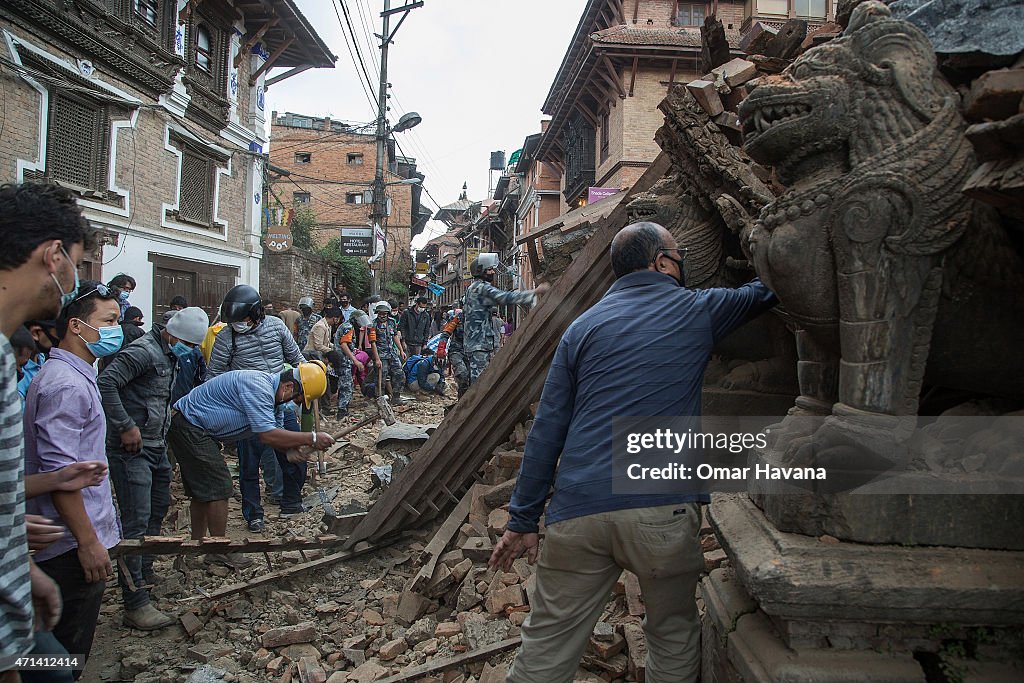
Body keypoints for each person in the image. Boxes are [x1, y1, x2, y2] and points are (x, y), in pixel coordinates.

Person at [489, 222, 778, 683]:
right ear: (662, 263)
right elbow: (768, 289)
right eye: (678, 258)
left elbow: (547, 429)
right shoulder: (698, 309)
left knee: (545, 646)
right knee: (672, 635)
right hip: (660, 512)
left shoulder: (580, 329)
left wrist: (522, 520)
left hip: (577, 512)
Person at [0, 182, 99, 680]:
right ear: (53, 256)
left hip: (17, 582)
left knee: (56, 668)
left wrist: (19, 566)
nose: (73, 282)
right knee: (56, 668)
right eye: (77, 267)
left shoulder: (5, 357)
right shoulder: (56, 380)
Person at [24, 281, 124, 677]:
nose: (116, 329)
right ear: (78, 327)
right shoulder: (65, 385)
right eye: (109, 321)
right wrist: (87, 542)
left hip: (74, 533)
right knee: (62, 654)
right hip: (67, 542)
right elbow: (59, 473)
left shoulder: (73, 376)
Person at [97, 307, 209, 630]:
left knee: (158, 509)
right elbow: (106, 383)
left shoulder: (171, 353)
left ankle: (144, 573)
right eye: (186, 344)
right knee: (136, 518)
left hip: (156, 446)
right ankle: (134, 604)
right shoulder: (142, 352)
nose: (187, 351)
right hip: (132, 449)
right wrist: (125, 425)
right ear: (172, 334)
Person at [168, 364, 335, 547]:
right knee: (220, 487)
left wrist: (289, 451)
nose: (295, 405)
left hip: (195, 428)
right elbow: (266, 434)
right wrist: (311, 438)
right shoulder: (258, 387)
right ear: (288, 386)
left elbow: (275, 435)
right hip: (190, 425)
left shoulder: (275, 402)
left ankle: (196, 545)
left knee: (203, 493)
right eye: (298, 400)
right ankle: (217, 551)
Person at [209, 286, 305, 528]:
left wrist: (308, 381)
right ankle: (254, 515)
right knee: (249, 464)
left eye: (243, 320)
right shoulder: (226, 338)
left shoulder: (275, 326)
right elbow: (213, 377)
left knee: (293, 454)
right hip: (248, 409)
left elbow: (296, 358)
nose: (239, 325)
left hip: (281, 402)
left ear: (256, 313)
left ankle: (291, 502)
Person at [463, 255, 546, 386]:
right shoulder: (481, 288)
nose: (493, 272)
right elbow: (504, 297)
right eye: (490, 269)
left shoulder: (472, 288)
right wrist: (535, 292)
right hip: (479, 344)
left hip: (476, 343)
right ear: (481, 271)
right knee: (479, 385)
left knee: (477, 381)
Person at [367, 301, 406, 404]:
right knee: (381, 377)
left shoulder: (392, 322)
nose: (382, 316)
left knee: (399, 373)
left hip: (392, 353)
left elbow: (395, 336)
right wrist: (377, 359)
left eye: (384, 313)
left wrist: (401, 350)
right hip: (380, 354)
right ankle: (379, 398)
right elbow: (373, 343)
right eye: (380, 313)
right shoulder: (373, 325)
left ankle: (396, 396)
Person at [332, 311, 368, 419]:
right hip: (343, 360)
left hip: (342, 359)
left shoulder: (346, 326)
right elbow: (343, 345)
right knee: (346, 385)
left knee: (345, 384)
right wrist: (355, 361)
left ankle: (343, 408)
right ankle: (342, 411)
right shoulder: (348, 327)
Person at [304, 307, 343, 408]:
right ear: (335, 318)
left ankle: (325, 405)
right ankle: (321, 407)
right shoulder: (320, 326)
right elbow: (318, 346)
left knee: (326, 381)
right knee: (320, 381)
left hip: (320, 355)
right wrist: (333, 352)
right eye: (338, 319)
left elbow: (326, 343)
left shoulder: (327, 326)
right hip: (312, 356)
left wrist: (335, 347)